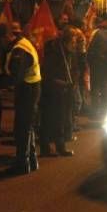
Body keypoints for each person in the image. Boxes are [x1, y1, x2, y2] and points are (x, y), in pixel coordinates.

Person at [4, 22, 41, 174]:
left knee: (23, 127)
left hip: (26, 89)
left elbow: (17, 74)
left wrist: (5, 83)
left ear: (9, 35)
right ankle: (31, 160)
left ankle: (22, 163)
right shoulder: (25, 44)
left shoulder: (20, 49)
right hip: (32, 87)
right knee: (28, 126)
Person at [40, 26, 78, 157]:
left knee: (60, 120)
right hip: (52, 91)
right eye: (73, 42)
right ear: (66, 41)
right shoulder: (54, 53)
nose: (75, 45)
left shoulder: (68, 53)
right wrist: (63, 83)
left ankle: (60, 146)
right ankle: (46, 147)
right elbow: (49, 75)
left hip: (64, 91)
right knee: (49, 119)